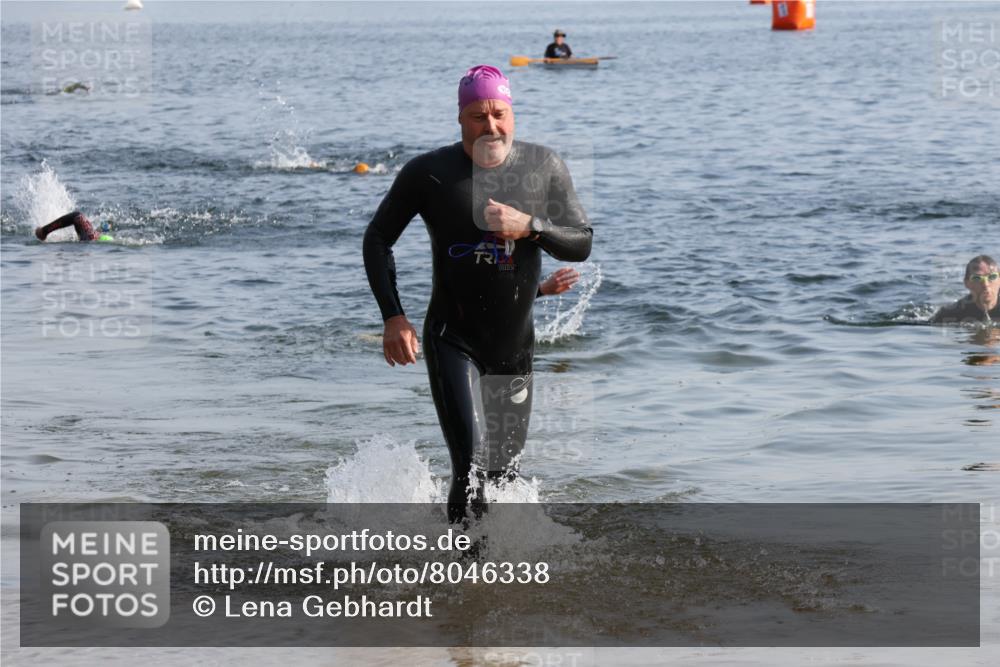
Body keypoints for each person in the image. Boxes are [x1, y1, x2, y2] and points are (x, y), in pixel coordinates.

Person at [363, 64, 592, 523]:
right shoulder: (428, 173)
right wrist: (394, 317)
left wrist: (529, 226)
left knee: (502, 476)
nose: (491, 125)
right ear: (460, 118)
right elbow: (377, 239)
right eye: (478, 116)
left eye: (499, 114)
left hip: (514, 349)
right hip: (454, 340)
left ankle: (493, 568)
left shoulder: (543, 166)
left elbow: (581, 242)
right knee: (469, 469)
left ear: (512, 114)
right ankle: (466, 582)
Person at [930, 255, 1000, 324]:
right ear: (967, 283)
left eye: (992, 277)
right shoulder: (949, 314)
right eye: (977, 278)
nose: (985, 284)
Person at [34, 211, 113, 242]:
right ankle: (44, 232)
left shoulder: (90, 237)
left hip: (90, 240)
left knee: (78, 217)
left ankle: (44, 232)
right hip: (92, 239)